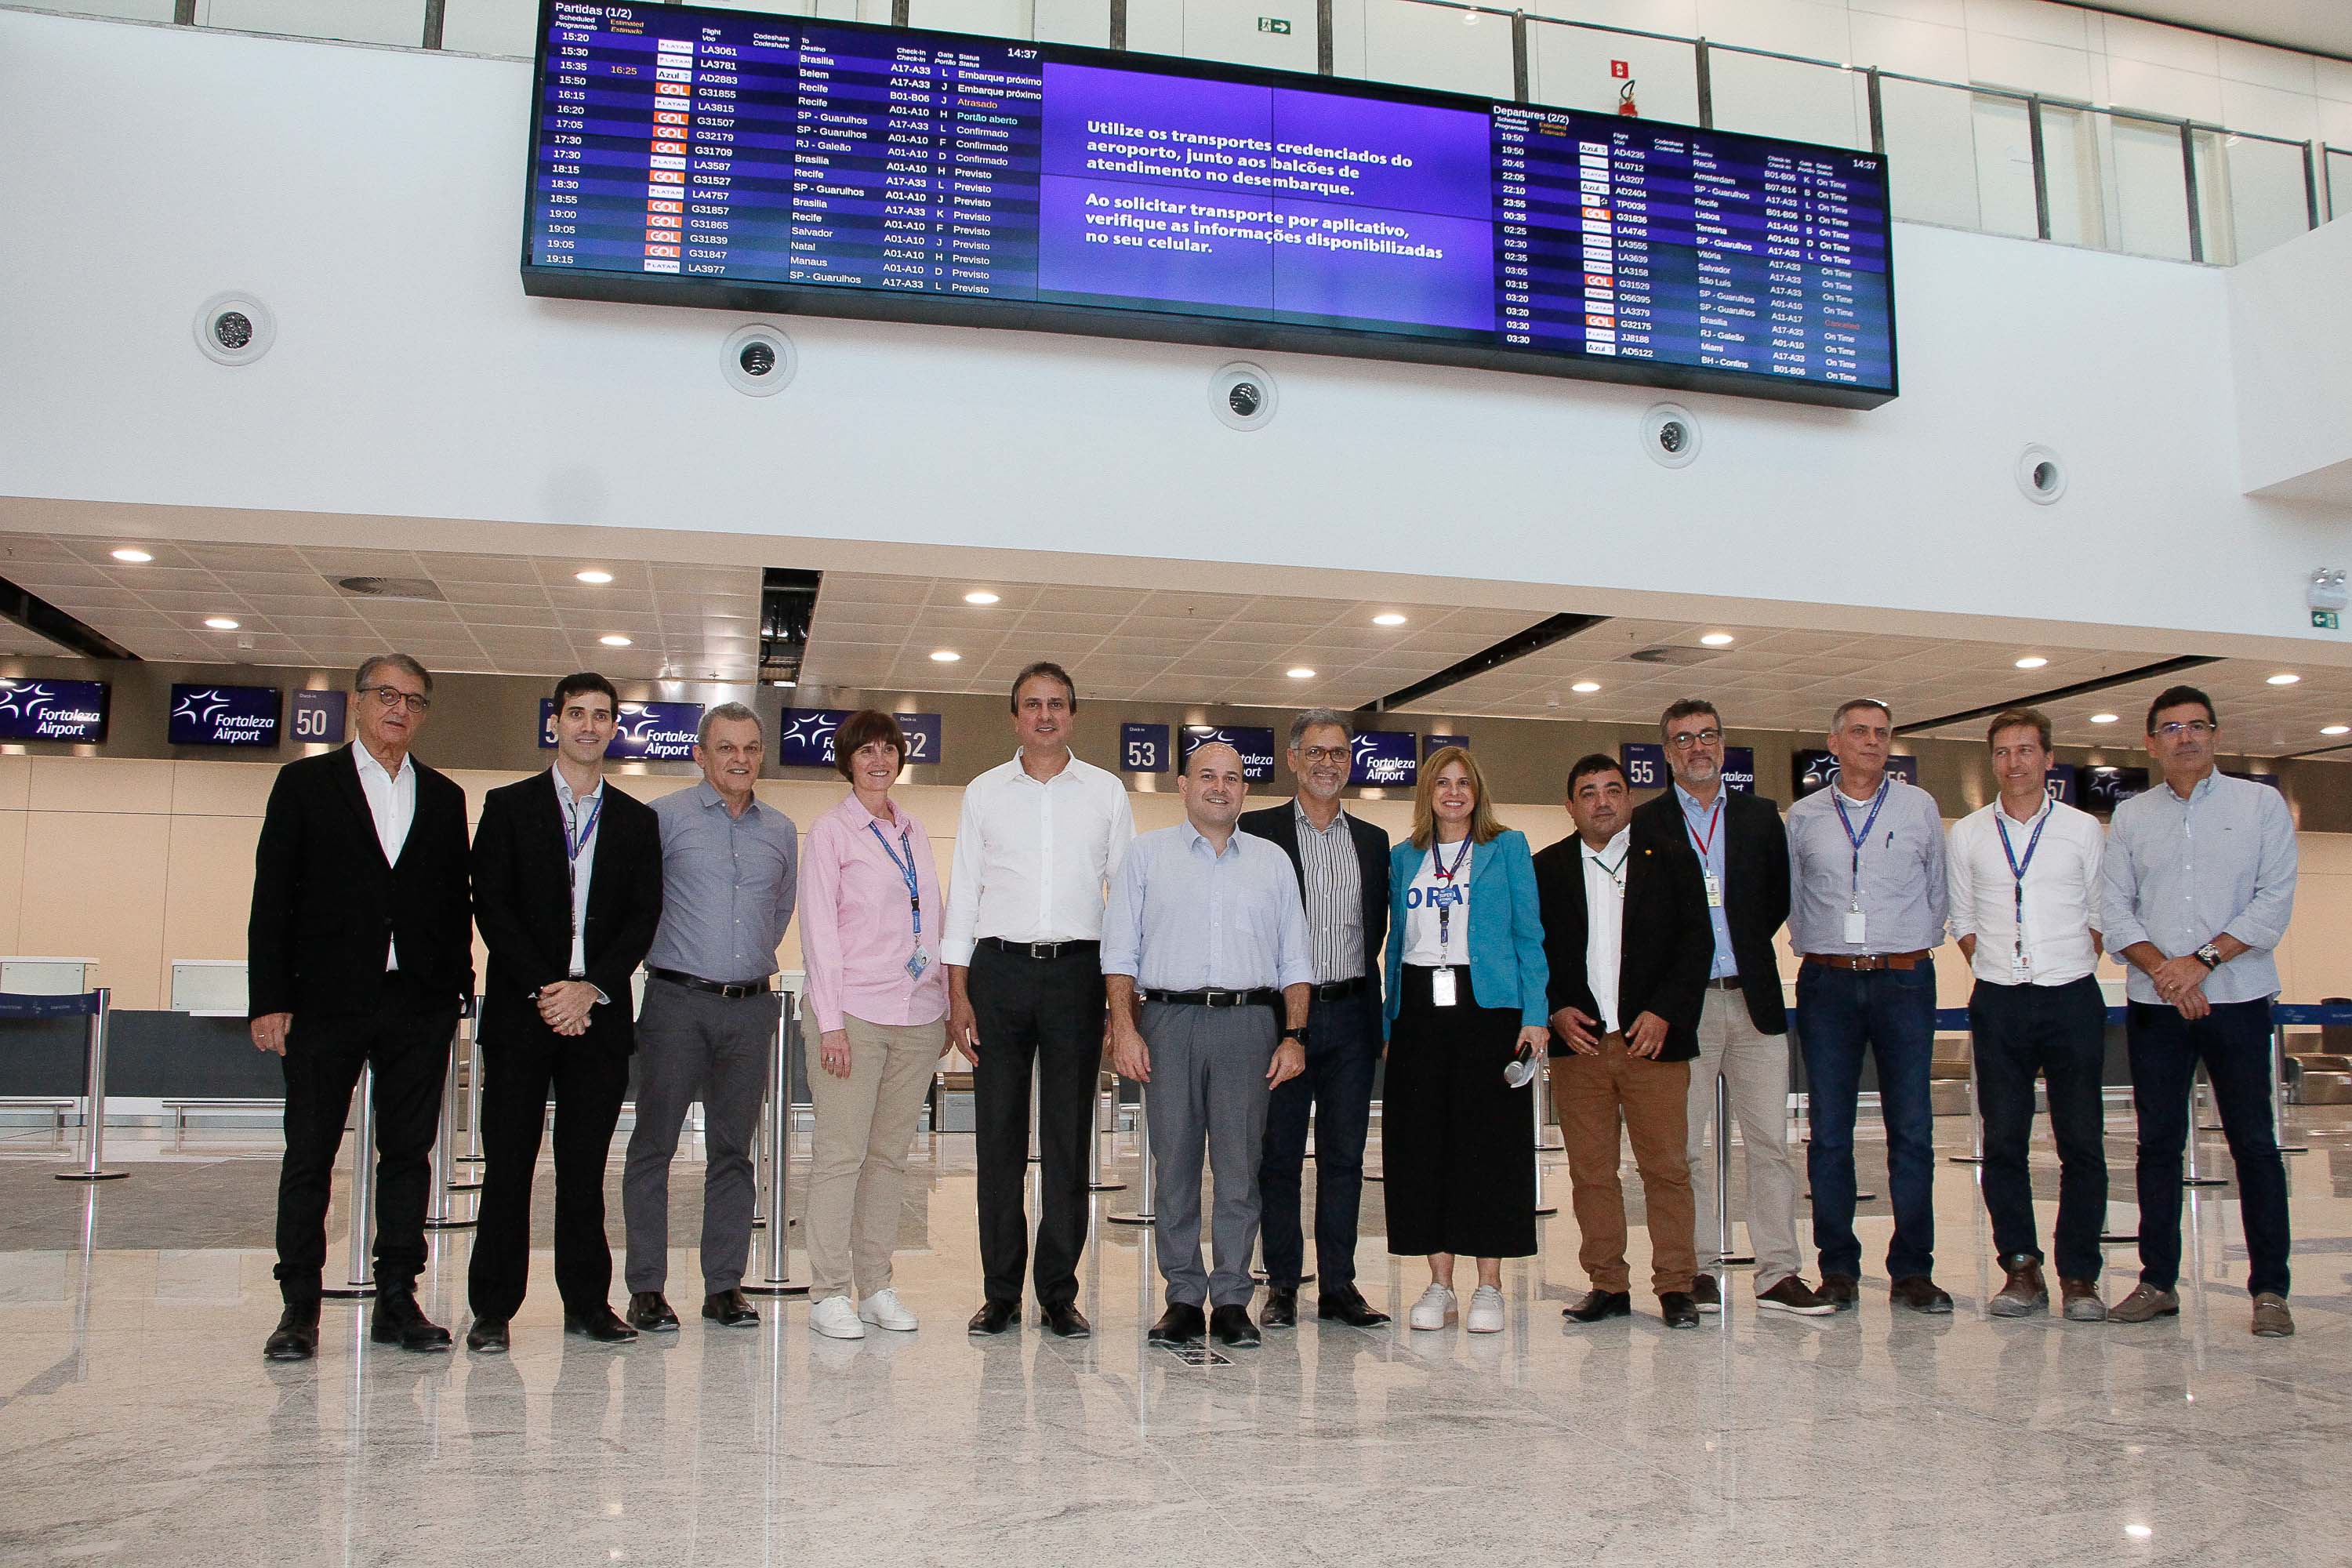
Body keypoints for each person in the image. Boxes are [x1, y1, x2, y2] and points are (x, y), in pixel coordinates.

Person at [251, 654, 473, 1361]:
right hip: (325, 1001)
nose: (399, 710)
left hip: (417, 1001)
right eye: (386, 696)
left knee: (409, 1154)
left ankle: (398, 1299)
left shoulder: (443, 796)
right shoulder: (305, 785)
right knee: (311, 1152)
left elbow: (451, 900)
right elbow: (272, 897)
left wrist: (458, 987)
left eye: (413, 700)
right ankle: (298, 1309)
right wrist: (270, 998)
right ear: (356, 704)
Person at [464, 672, 663, 1352]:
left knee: (584, 1171)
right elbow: (492, 906)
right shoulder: (508, 805)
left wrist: (590, 989)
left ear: (615, 728)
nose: (588, 726)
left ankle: (587, 1303)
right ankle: (493, 1308)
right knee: (510, 1166)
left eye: (601, 716)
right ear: (555, 722)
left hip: (599, 1017)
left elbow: (642, 918)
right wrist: (552, 989)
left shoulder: (637, 821)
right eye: (575, 714)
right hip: (526, 1014)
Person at [942, 662, 1135, 1339]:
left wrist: (1122, 1005)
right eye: (1033, 705)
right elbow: (963, 893)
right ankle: (1000, 1293)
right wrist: (957, 993)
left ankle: (1058, 1293)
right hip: (997, 974)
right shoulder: (984, 793)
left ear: (1073, 715)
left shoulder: (1106, 793)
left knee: (1065, 1141)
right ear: (1015, 716)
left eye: (1057, 704)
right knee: (996, 1139)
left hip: (1077, 977)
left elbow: (1126, 904)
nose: (1045, 715)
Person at [2101, 684, 2298, 1338]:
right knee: (2157, 1145)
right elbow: (2115, 910)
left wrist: (2202, 961)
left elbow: (2272, 902)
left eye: (2196, 726)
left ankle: (2270, 1289)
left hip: (2237, 1000)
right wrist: (2167, 969)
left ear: (2215, 734)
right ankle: (2157, 1282)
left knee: (2254, 1145)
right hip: (2156, 1005)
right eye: (2170, 728)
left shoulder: (2260, 805)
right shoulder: (2131, 818)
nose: (2184, 737)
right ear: (2150, 743)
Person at [1104, 742, 1313, 1348]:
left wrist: (1294, 1035)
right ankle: (1181, 1297)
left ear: (1245, 790)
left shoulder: (1272, 862)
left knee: (1240, 1168)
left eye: (1233, 777)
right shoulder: (1145, 858)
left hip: (1249, 1026)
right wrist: (1125, 1028)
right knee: (1174, 1166)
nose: (1220, 787)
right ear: (1182, 785)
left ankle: (1230, 1299)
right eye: (1208, 777)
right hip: (1168, 1022)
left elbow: (1295, 960)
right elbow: (1119, 955)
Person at [1630, 700, 1831, 1316]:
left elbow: (1775, 899)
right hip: (1683, 1011)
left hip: (1755, 1002)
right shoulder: (1648, 824)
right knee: (1684, 1148)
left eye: (1708, 736)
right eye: (1683, 739)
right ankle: (1698, 1270)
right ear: (1666, 753)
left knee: (1771, 1142)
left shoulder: (1759, 817)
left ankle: (1777, 1273)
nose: (1697, 747)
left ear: (1724, 745)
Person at [621, 703, 797, 1332]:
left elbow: (779, 912)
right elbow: (637, 903)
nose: (741, 758)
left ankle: (724, 1285)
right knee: (654, 1147)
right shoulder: (662, 819)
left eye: (751, 747)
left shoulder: (779, 830)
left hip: (751, 1009)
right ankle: (646, 1287)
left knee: (733, 1151)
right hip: (676, 1002)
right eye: (727, 747)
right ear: (701, 754)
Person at [1784, 698, 1951, 1313]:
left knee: (1913, 1131)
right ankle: (1838, 1268)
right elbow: (1794, 898)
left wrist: (1898, 945)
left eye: (1882, 734)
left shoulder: (1919, 808)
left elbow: (1938, 894)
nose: (1872, 743)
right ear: (1834, 743)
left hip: (1905, 980)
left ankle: (1913, 1271)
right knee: (1829, 1134)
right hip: (1827, 984)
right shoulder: (1802, 817)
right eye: (1860, 733)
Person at [1534, 755, 1709, 1330]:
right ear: (1570, 806)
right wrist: (1556, 1008)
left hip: (1651, 1044)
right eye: (1588, 792)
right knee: (1591, 1174)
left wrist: (1665, 1012)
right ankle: (1607, 1283)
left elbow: (1695, 947)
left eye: (1613, 790)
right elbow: (1535, 954)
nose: (1602, 802)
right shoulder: (1548, 869)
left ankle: (1677, 1286)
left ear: (1630, 800)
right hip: (1581, 1047)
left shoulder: (1674, 860)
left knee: (1666, 1169)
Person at [1381, 746, 1550, 1334]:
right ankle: (1439, 1283)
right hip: (1420, 1015)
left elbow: (1530, 937)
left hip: (1490, 1012)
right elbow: (1396, 943)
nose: (1453, 793)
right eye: (1442, 783)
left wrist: (1536, 1014)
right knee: (1425, 1148)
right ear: (1426, 792)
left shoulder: (1507, 849)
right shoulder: (1405, 858)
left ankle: (1489, 1286)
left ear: (1478, 792)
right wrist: (1388, 1022)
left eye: (1464, 783)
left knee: (1488, 1149)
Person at [1947, 707, 2109, 1323]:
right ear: (1993, 762)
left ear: (2047, 758)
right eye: (2003, 753)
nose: (2014, 763)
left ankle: (2080, 1274)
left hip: (2070, 994)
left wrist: (2060, 961)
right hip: (1999, 999)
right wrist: (1994, 962)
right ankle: (2020, 1267)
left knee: (2082, 1143)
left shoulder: (2081, 829)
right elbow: (1961, 919)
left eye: (2025, 750)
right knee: (2005, 1140)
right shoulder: (1968, 834)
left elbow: (2099, 912)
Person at [798, 710, 950, 1341]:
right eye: (867, 750)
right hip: (853, 1016)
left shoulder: (913, 829)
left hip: (915, 1015)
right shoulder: (832, 833)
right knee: (841, 1155)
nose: (879, 759)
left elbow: (930, 923)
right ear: (848, 759)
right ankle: (827, 1291)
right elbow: (819, 933)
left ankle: (875, 1285)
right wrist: (830, 1023)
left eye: (889, 748)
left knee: (889, 1158)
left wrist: (941, 1004)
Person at [1238, 709, 1392, 1330]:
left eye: (1339, 752)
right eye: (1316, 752)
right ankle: (1280, 1284)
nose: (1328, 763)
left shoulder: (1375, 842)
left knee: (1344, 1157)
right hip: (1281, 1022)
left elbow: (1380, 930)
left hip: (1353, 1015)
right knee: (1277, 1157)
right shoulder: (1258, 832)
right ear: (1294, 759)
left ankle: (1340, 1287)